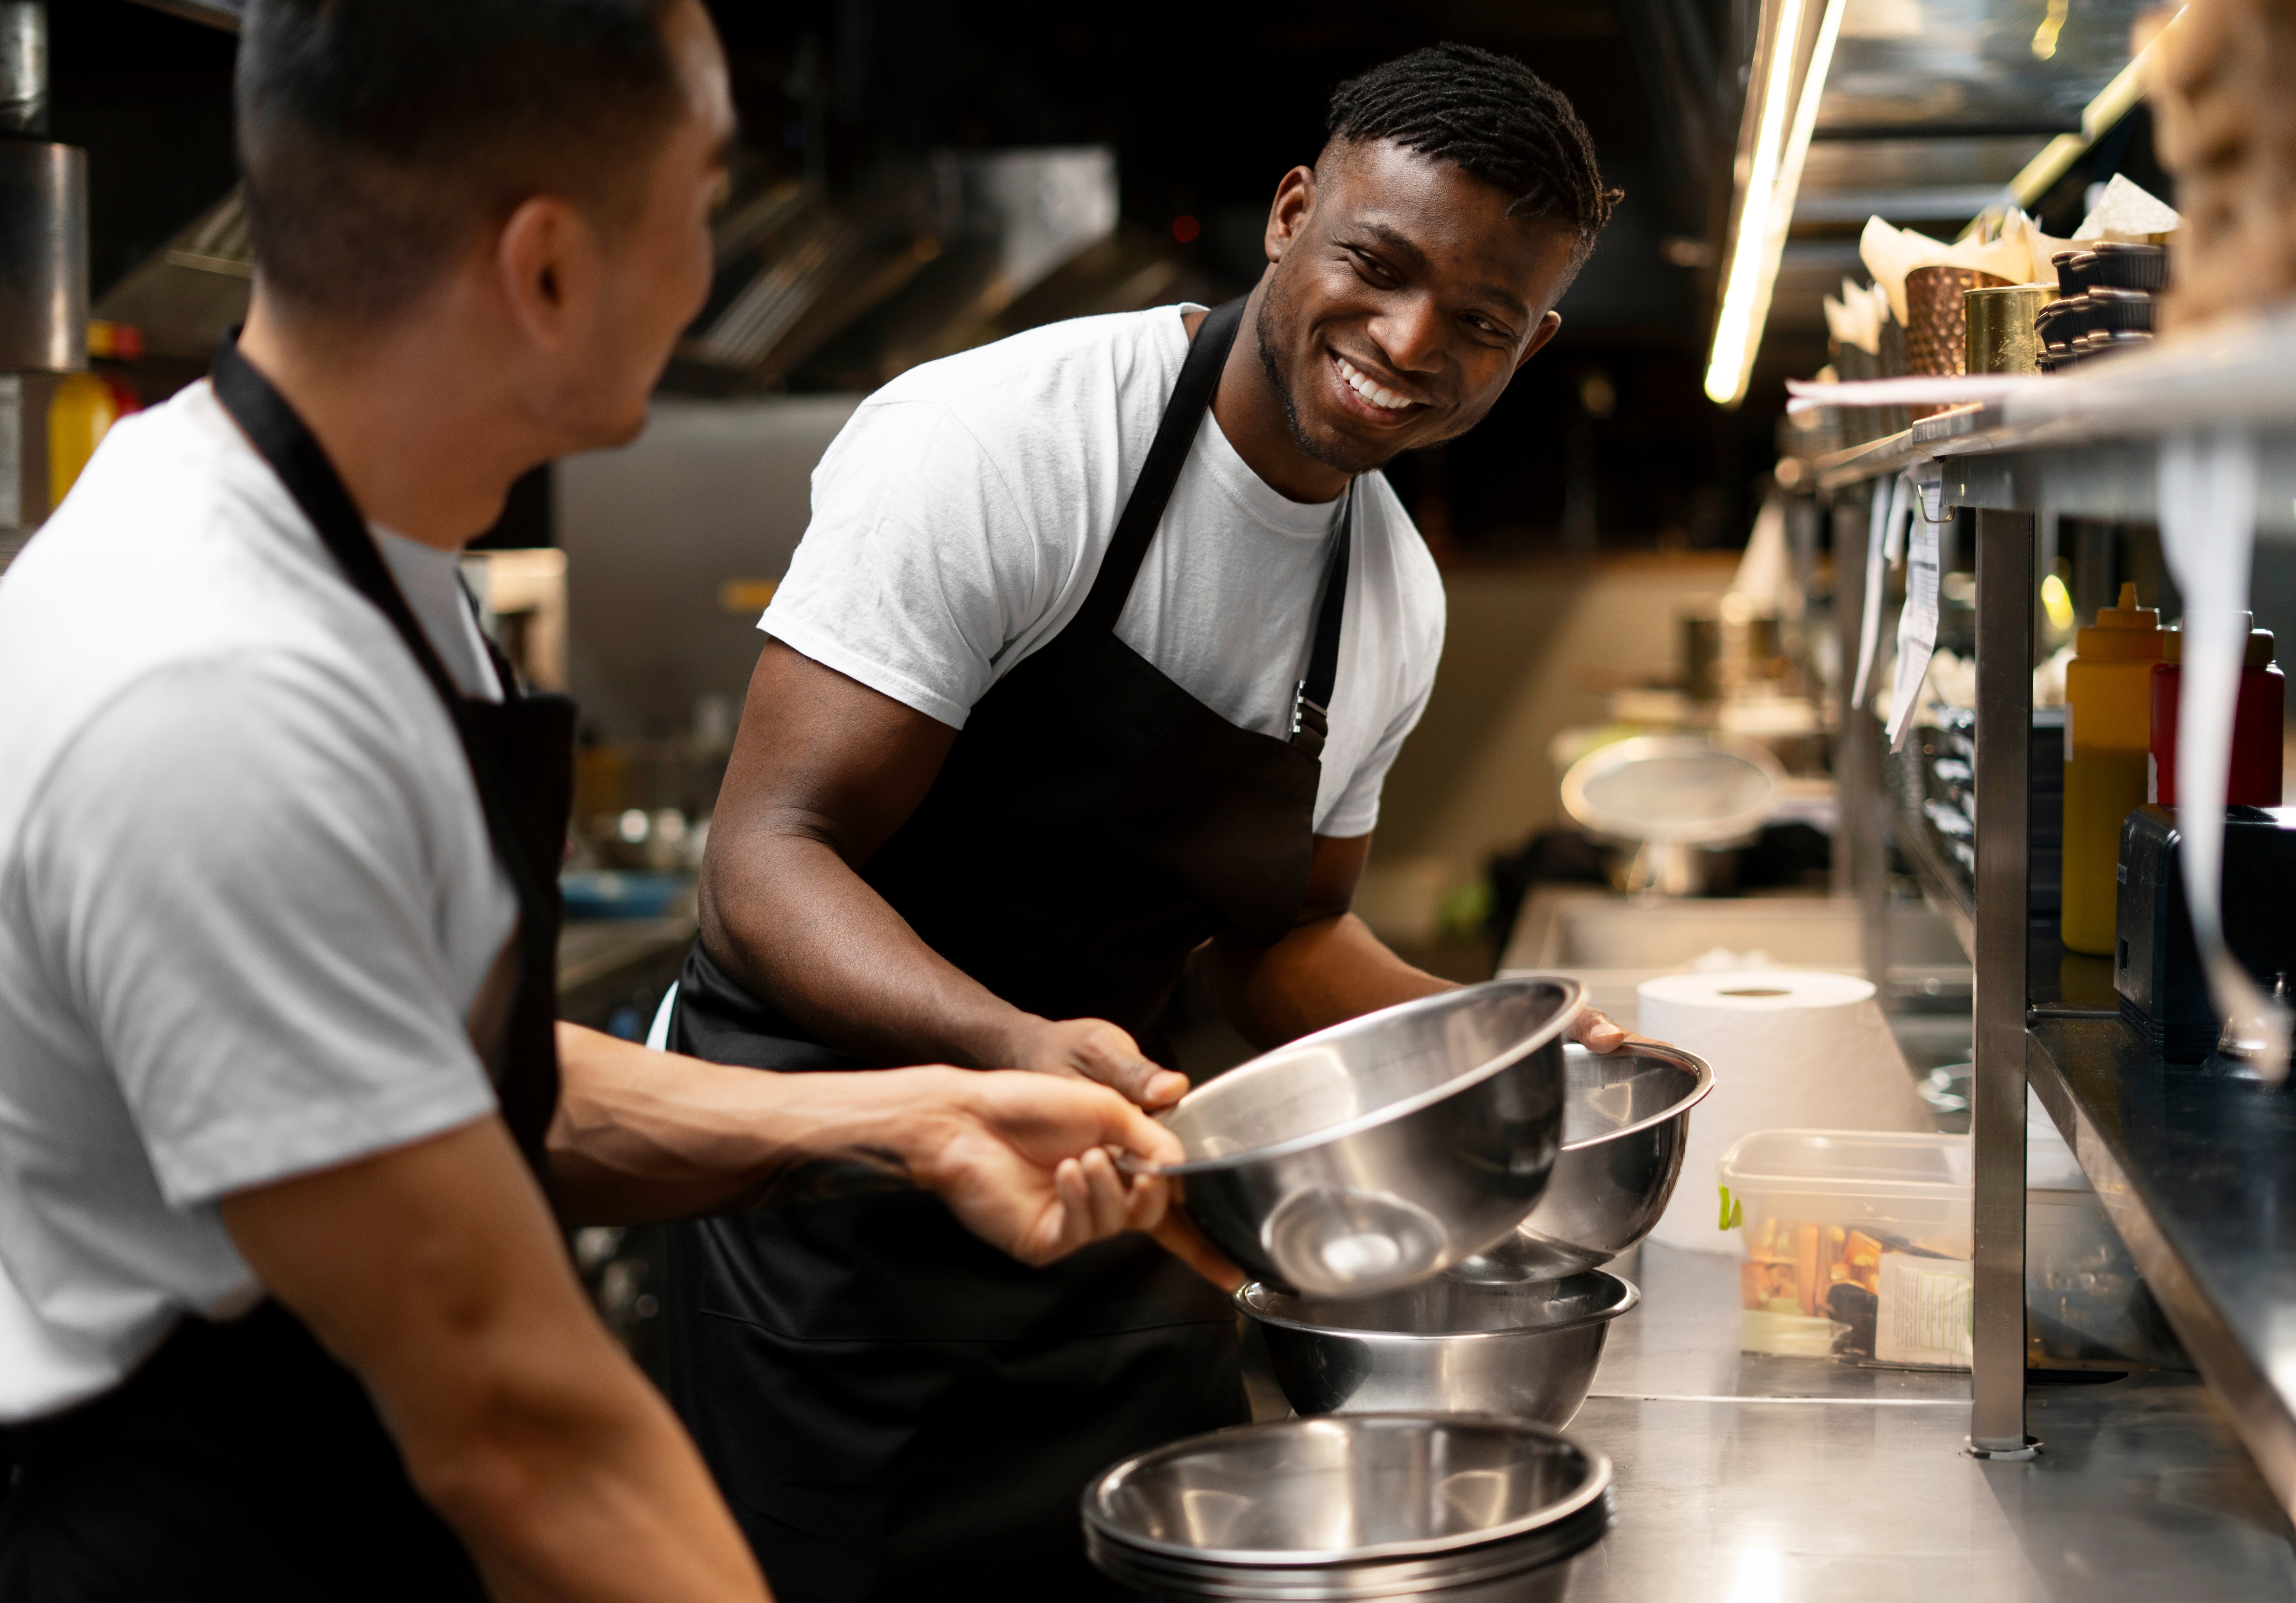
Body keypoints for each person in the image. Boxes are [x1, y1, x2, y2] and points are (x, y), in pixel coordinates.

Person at [0, 4, 1202, 1599]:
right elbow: (520, 1423)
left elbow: (455, 1090)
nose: (717, 263)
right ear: (549, 267)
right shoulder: (218, 687)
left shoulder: (381, 571)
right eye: (705, 198)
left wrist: (910, 1115)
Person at [668, 41, 1629, 1602]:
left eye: (1482, 321)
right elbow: (765, 860)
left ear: (1536, 339)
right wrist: (1011, 1042)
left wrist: (1502, 1041)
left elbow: (1281, 933)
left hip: (1103, 1210)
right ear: (1290, 211)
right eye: (1377, 267)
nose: (1406, 341)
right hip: (835, 1232)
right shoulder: (1005, 443)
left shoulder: (1392, 593)